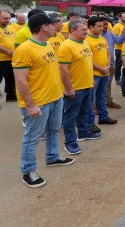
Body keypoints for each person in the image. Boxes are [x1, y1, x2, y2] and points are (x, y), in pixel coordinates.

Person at [13, 13, 74, 188]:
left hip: (55, 97)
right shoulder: (25, 49)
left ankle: (53, 156)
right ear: (44, 27)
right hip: (38, 102)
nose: (56, 26)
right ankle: (28, 170)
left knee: (54, 129)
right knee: (32, 138)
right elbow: (20, 80)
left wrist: (60, 89)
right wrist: (30, 105)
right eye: (52, 24)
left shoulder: (46, 44)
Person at [59, 20, 99, 156]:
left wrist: (91, 79)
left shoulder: (85, 42)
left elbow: (87, 63)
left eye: (86, 29)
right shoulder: (66, 46)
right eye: (83, 30)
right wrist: (68, 88)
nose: (86, 32)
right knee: (70, 117)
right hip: (75, 88)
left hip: (87, 86)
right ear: (72, 30)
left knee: (84, 112)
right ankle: (70, 142)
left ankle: (83, 132)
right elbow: (63, 69)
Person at [85, 17, 117, 128]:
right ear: (91, 27)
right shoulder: (86, 40)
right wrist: (101, 68)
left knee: (102, 96)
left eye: (102, 26)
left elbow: (108, 53)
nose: (102, 28)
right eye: (98, 26)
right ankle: (90, 123)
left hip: (105, 72)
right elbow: (88, 59)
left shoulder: (102, 39)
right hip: (94, 74)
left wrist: (107, 66)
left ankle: (103, 117)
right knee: (90, 99)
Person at [101, 18, 125, 109]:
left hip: (110, 64)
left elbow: (119, 41)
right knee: (98, 85)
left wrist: (124, 32)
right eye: (103, 25)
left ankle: (108, 101)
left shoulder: (109, 34)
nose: (105, 26)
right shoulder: (92, 37)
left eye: (107, 24)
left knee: (108, 83)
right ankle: (95, 104)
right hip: (99, 65)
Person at [112, 12, 125, 85]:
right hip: (119, 48)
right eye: (124, 17)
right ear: (120, 18)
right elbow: (116, 39)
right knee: (118, 64)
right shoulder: (116, 26)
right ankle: (117, 78)